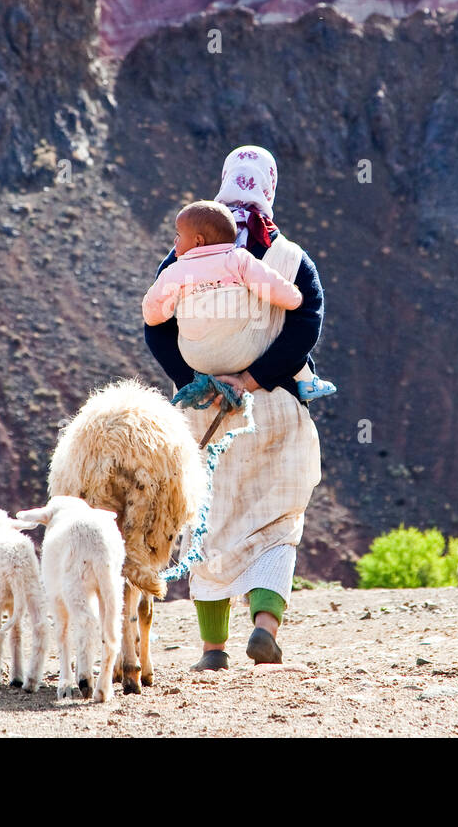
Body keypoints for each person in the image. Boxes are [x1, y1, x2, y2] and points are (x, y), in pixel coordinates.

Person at [144, 145, 326, 669]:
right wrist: (252, 377)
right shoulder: (290, 259)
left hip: (204, 412)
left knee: (209, 522)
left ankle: (212, 649)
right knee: (277, 521)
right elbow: (306, 324)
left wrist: (194, 380)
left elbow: (156, 325)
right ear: (269, 189)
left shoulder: (185, 254)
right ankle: (265, 625)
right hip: (273, 410)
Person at [141, 199, 335, 402]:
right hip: (246, 358)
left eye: (177, 236)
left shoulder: (174, 270)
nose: (174, 242)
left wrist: (193, 385)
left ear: (198, 241)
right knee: (299, 357)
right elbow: (270, 284)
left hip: (197, 362)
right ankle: (307, 379)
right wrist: (295, 298)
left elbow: (153, 317)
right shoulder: (244, 259)